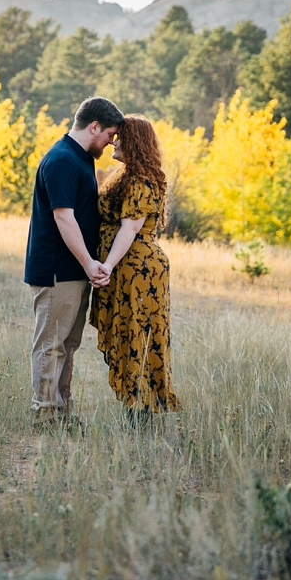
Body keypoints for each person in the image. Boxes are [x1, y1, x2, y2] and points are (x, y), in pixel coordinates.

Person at [23, 95, 123, 422]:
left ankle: (61, 412)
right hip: (58, 271)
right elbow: (64, 218)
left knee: (67, 345)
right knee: (51, 345)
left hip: (75, 271)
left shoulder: (82, 158)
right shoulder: (64, 160)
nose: (111, 142)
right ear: (93, 126)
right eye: (109, 134)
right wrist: (88, 263)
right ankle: (45, 416)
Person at [90, 115, 179, 416]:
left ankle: (142, 412)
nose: (114, 140)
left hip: (138, 270)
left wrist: (107, 267)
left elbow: (129, 228)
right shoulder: (125, 176)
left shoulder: (140, 181)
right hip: (128, 267)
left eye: (120, 136)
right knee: (130, 333)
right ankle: (137, 406)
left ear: (135, 142)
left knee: (139, 335)